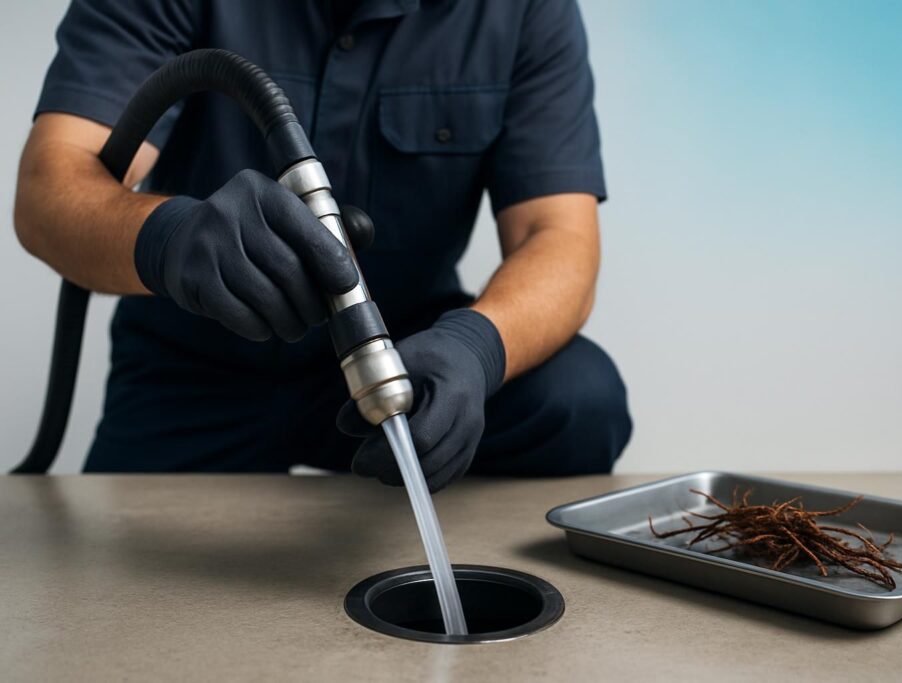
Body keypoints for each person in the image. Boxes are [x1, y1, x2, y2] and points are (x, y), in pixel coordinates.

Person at [14, 0, 632, 491]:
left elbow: (557, 237)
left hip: (404, 361)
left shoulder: (525, 9)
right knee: (109, 615)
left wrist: (475, 348)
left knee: (581, 398)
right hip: (195, 369)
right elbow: (50, 190)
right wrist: (171, 236)